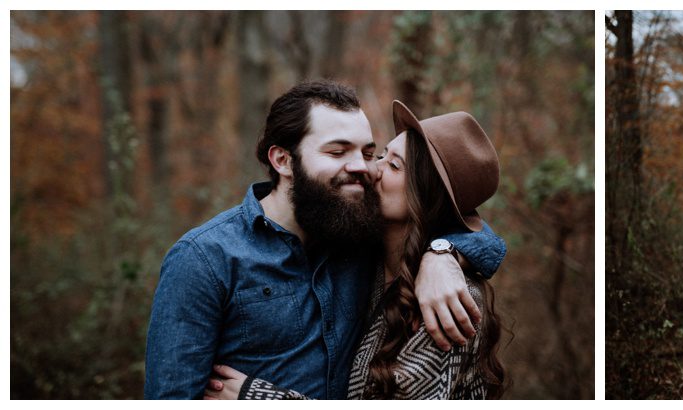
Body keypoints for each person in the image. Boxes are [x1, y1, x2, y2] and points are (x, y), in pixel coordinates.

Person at [144, 81, 506, 399]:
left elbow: (478, 236)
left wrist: (442, 253)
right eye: (337, 152)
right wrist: (444, 253)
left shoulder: (360, 237)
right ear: (283, 160)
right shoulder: (205, 259)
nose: (365, 167)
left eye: (368, 152)